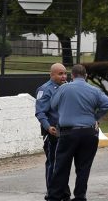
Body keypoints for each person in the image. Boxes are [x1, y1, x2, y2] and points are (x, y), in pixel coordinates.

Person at [47, 64, 108, 201]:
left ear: (72, 75)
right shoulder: (94, 90)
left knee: (61, 166)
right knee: (83, 167)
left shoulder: (64, 88)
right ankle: (80, 196)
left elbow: (53, 105)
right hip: (89, 133)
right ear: (86, 76)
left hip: (68, 133)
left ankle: (55, 196)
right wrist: (95, 116)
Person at [35, 63, 69, 201]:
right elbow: (40, 112)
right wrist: (48, 127)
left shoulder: (67, 87)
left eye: (65, 73)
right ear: (52, 75)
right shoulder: (45, 90)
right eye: (60, 74)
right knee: (53, 163)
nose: (64, 76)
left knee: (64, 163)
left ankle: (64, 193)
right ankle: (52, 192)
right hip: (52, 132)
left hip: (67, 130)